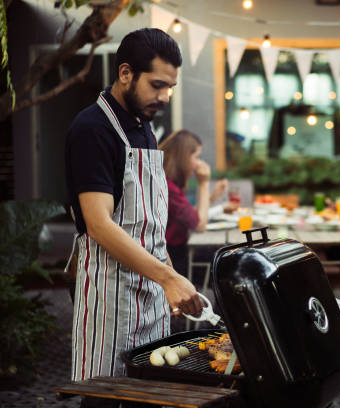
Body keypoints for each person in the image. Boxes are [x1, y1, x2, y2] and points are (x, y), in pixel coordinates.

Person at [64, 28, 204, 401]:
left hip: (153, 296)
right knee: (108, 399)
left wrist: (173, 282)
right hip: (111, 299)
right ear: (125, 73)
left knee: (151, 398)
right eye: (157, 84)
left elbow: (152, 223)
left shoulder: (145, 130)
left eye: (170, 86)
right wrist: (167, 278)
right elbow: (99, 224)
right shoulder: (92, 129)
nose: (164, 96)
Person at [159, 129, 237, 278]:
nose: (198, 163)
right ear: (184, 157)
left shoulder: (168, 183)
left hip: (174, 252)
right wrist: (204, 183)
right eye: (196, 156)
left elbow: (190, 216)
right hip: (171, 256)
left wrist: (212, 197)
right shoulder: (169, 187)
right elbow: (199, 224)